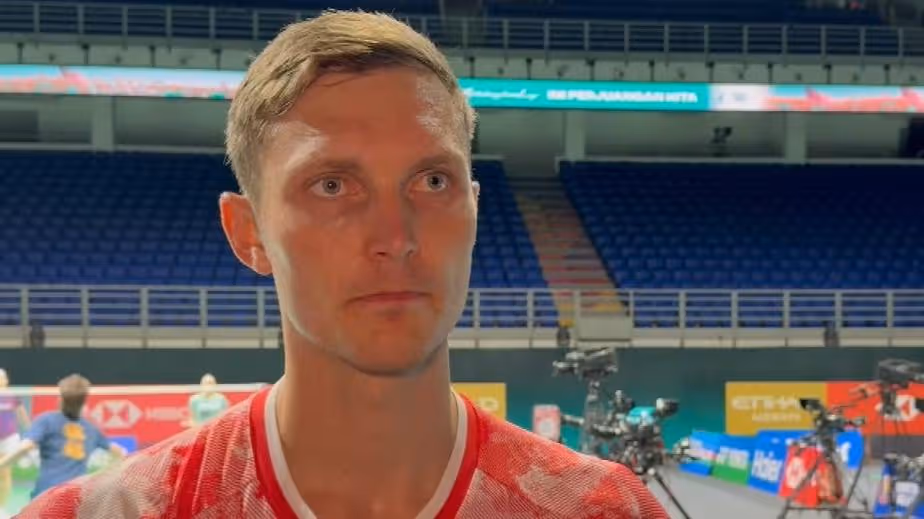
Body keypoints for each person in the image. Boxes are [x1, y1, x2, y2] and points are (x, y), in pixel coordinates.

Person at [20, 11, 667, 518]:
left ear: (474, 209)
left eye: (432, 181)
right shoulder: (105, 513)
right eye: (332, 186)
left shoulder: (602, 510)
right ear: (248, 232)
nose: (396, 237)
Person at [0, 375, 123, 500]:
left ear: (60, 399)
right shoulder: (91, 428)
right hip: (75, 495)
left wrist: (2, 464)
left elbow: (26, 446)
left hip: (46, 494)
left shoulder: (47, 420)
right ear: (83, 402)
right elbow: (118, 451)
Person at [0, 369, 30, 513]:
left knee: (5, 472)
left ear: (6, 380)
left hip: (9, 438)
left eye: (2, 378)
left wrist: (30, 432)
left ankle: (1, 507)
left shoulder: (12, 395)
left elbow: (22, 415)